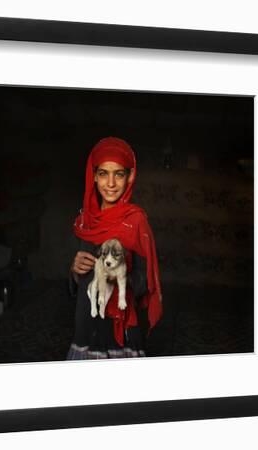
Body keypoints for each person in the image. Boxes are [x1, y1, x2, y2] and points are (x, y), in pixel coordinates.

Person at [67, 137, 163, 359]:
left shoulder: (136, 221)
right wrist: (73, 270)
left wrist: (118, 276)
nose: (110, 183)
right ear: (94, 176)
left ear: (130, 177)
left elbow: (145, 282)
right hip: (86, 326)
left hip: (121, 330)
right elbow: (76, 284)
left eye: (118, 174)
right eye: (103, 173)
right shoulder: (84, 221)